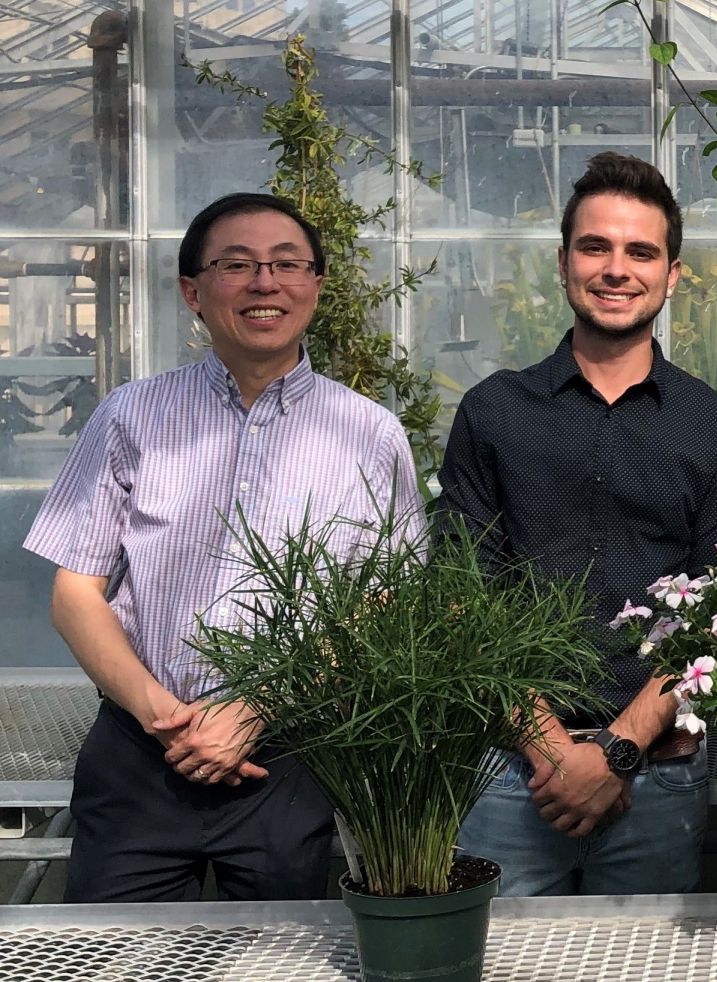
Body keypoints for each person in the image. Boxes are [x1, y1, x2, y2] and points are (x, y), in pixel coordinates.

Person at [24, 192, 422, 902]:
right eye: (236, 265)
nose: (265, 283)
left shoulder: (369, 434)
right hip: (139, 754)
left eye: (286, 264)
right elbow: (74, 593)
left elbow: (386, 603)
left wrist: (258, 706)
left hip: (291, 760)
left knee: (276, 964)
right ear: (193, 292)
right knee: (115, 960)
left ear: (317, 285)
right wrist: (160, 716)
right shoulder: (131, 417)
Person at [439, 153, 717, 896]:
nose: (617, 269)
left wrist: (616, 752)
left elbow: (715, 613)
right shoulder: (494, 414)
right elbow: (462, 595)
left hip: (660, 773)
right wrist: (553, 752)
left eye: (641, 251)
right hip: (512, 774)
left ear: (672, 274)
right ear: (563, 263)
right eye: (595, 247)